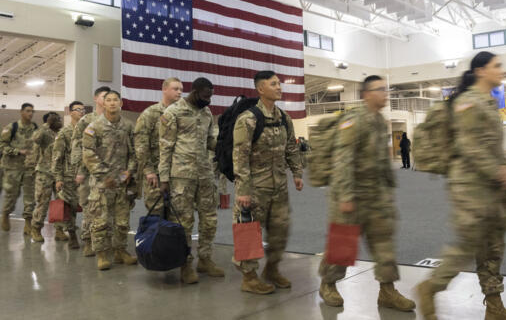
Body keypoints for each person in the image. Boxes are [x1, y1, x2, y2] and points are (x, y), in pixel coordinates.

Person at [416, 52, 506, 320]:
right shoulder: (467, 103)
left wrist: (504, 167)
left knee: (492, 247)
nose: (501, 70)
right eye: (497, 66)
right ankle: (429, 288)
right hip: (468, 186)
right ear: (480, 71)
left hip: (490, 186)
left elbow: (488, 144)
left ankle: (494, 307)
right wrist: (496, 169)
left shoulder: (487, 103)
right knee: (468, 245)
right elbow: (469, 147)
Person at [318, 75, 416, 312]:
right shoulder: (354, 120)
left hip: (376, 195)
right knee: (343, 244)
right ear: (366, 94)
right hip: (351, 193)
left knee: (384, 243)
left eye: (386, 89)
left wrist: (388, 188)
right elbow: (343, 159)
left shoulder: (379, 120)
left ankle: (387, 291)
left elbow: (381, 160)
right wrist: (345, 196)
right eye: (380, 89)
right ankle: (328, 283)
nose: (385, 93)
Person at [233, 71, 304, 294]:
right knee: (249, 232)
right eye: (273, 84)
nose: (279, 87)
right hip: (254, 188)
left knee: (280, 230)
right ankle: (249, 278)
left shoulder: (284, 117)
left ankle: (271, 269)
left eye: (279, 83)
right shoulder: (248, 119)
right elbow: (240, 156)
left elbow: (291, 148)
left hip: (279, 187)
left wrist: (297, 173)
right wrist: (243, 190)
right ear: (260, 89)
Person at [159, 77, 225, 284]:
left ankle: (205, 259)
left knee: (210, 219)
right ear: (195, 91)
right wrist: (163, 178)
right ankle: (185, 264)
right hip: (181, 177)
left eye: (211, 97)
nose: (209, 101)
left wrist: (226, 143)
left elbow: (209, 142)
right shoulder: (173, 112)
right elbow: (165, 146)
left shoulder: (206, 113)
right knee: (184, 223)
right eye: (205, 96)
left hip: (205, 174)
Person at [82, 90, 138, 270]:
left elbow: (134, 153)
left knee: (122, 220)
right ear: (103, 104)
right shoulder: (94, 127)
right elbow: (88, 153)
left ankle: (120, 250)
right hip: (102, 183)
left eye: (116, 100)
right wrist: (104, 176)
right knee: (100, 221)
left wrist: (128, 172)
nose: (113, 103)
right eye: (109, 100)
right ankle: (101, 254)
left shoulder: (128, 126)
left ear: (121, 103)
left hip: (122, 182)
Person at [71, 86, 110, 257]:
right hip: (88, 172)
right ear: (95, 99)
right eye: (103, 97)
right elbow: (77, 147)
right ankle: (88, 240)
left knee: (108, 208)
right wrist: (79, 170)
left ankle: (105, 241)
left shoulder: (113, 120)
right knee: (89, 208)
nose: (107, 100)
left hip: (107, 172)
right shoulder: (86, 120)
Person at [134, 77, 183, 212]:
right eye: (175, 89)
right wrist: (149, 171)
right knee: (156, 212)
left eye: (181, 90)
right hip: (156, 172)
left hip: (178, 172)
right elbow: (140, 144)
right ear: (164, 90)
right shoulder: (151, 113)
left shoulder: (182, 114)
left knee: (178, 215)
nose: (179, 92)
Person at [52, 101, 85, 249]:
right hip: (69, 176)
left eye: (83, 110)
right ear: (71, 112)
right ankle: (72, 234)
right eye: (78, 109)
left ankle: (89, 236)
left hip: (85, 175)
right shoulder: (64, 133)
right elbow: (57, 157)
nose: (81, 112)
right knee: (70, 207)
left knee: (87, 205)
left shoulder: (88, 131)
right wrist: (58, 179)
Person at [1, 103, 38, 233]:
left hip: (29, 168)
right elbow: (2, 146)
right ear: (21, 112)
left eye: (32, 111)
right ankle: (6, 214)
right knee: (12, 195)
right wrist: (17, 151)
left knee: (30, 196)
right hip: (13, 168)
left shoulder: (35, 128)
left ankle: (28, 223)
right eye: (28, 111)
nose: (30, 114)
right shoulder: (12, 127)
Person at [29, 112, 66, 243]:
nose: (59, 121)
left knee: (59, 203)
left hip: (59, 174)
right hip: (44, 173)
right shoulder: (44, 133)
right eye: (56, 120)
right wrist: (46, 125)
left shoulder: (61, 133)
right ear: (49, 121)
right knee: (43, 202)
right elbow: (34, 139)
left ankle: (59, 230)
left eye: (59, 119)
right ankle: (36, 229)